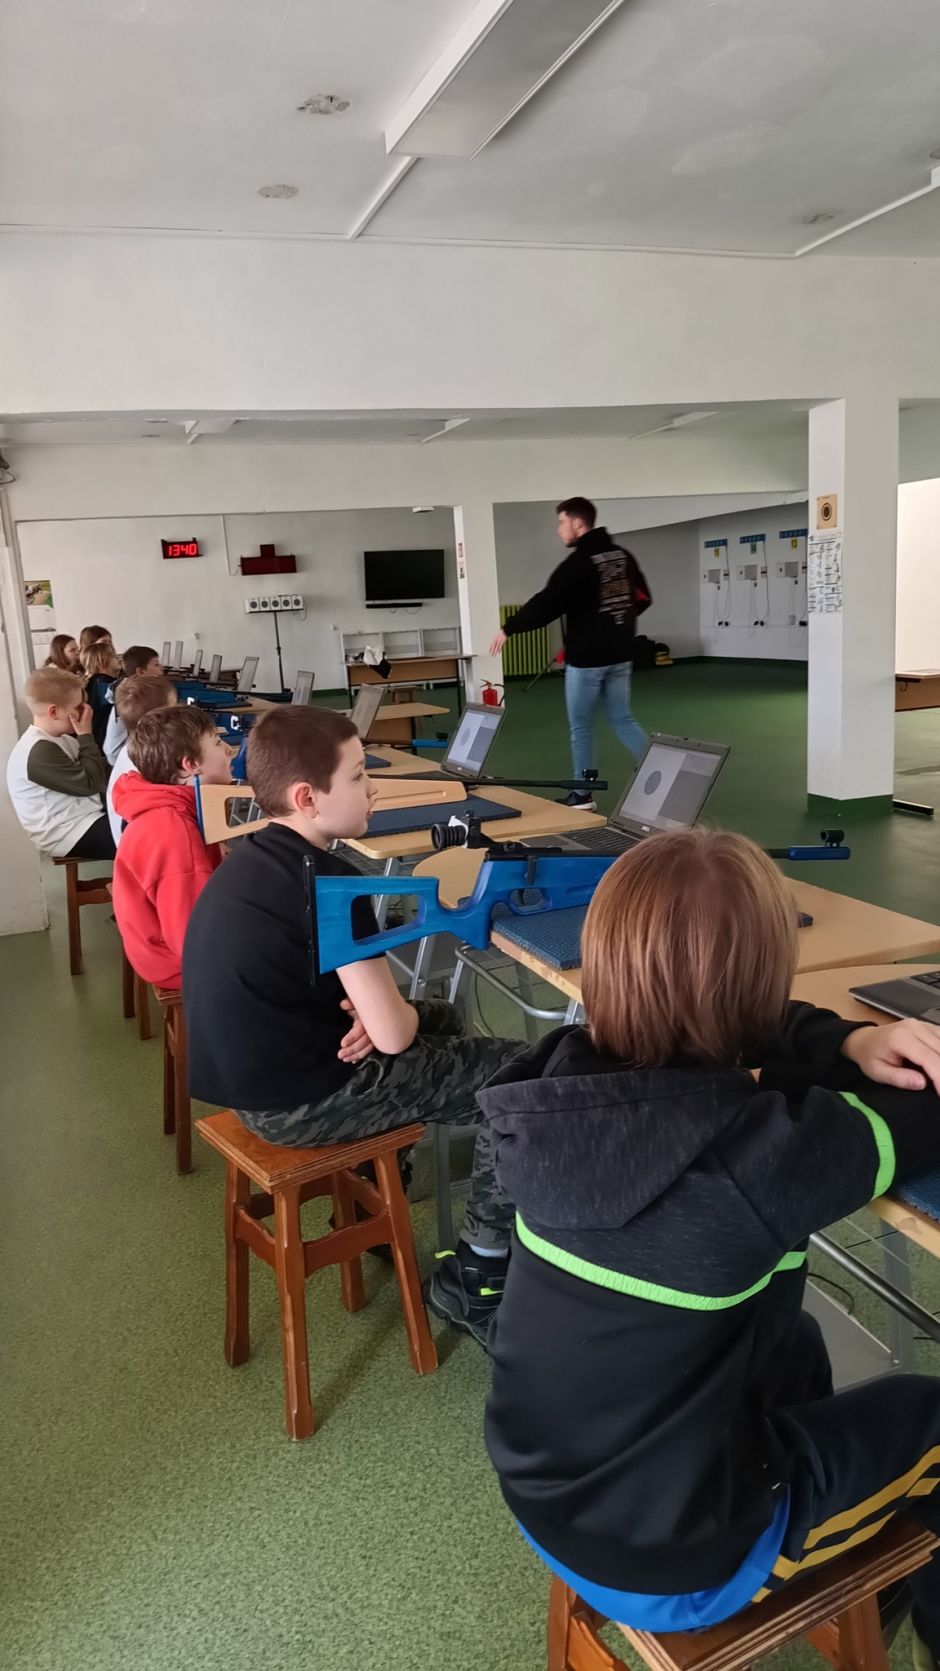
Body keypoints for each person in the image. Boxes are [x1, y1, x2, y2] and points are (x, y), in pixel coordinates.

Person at [480, 827, 940, 1656]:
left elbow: (733, 1027)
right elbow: (922, 1111)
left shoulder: (557, 1079)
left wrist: (843, 1041)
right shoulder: (756, 1164)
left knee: (797, 1341)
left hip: (549, 1489)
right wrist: (848, 1045)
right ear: (763, 989)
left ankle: (853, 1541)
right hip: (682, 1561)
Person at [182, 706, 523, 1344]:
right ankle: (478, 1274)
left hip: (255, 1081)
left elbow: (353, 1005)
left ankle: (378, 1176)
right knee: (518, 1082)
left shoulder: (254, 857)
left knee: (441, 1014)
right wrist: (388, 1020)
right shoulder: (332, 885)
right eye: (360, 775)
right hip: (300, 1104)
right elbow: (393, 1036)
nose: (374, 790)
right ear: (307, 797)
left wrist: (384, 1017)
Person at [490, 497, 652, 809]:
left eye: (561, 522)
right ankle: (664, 775)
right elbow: (642, 599)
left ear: (578, 523)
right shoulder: (623, 556)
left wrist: (508, 628)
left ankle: (583, 794)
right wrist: (614, 627)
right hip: (620, 656)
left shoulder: (578, 564)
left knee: (581, 727)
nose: (558, 530)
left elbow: (546, 603)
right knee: (623, 719)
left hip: (587, 661)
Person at [111, 706, 232, 987]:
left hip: (157, 945)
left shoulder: (162, 804)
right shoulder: (175, 832)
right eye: (217, 742)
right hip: (176, 962)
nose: (229, 750)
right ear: (191, 765)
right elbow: (195, 941)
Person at [6, 667, 114, 859]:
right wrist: (86, 735)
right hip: (66, 833)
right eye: (79, 707)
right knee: (147, 840)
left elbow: (99, 770)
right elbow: (91, 783)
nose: (87, 712)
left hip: (85, 817)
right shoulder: (38, 750)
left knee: (149, 822)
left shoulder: (64, 740)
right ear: (54, 712)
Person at [105, 673, 178, 849]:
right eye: (174, 708)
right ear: (159, 719)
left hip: (133, 843)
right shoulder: (150, 760)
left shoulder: (134, 749)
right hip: (142, 849)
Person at [104, 645, 165, 766]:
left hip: (121, 754)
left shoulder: (126, 688)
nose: (161, 668)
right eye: (156, 664)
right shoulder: (135, 696)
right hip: (122, 757)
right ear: (140, 672)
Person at [79, 639, 122, 752]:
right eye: (113, 656)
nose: (118, 658)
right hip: (104, 739)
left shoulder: (94, 682)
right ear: (102, 661)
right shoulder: (105, 684)